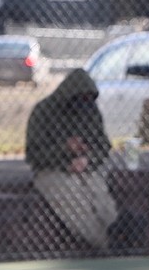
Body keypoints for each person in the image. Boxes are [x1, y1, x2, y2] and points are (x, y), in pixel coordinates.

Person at [25, 68, 120, 249]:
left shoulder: (91, 111)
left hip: (86, 166)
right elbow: (33, 155)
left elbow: (103, 145)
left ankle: (117, 231)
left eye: (88, 99)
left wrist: (87, 159)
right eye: (80, 99)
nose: (84, 103)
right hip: (52, 169)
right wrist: (64, 150)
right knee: (72, 197)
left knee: (98, 191)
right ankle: (103, 242)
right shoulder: (43, 111)